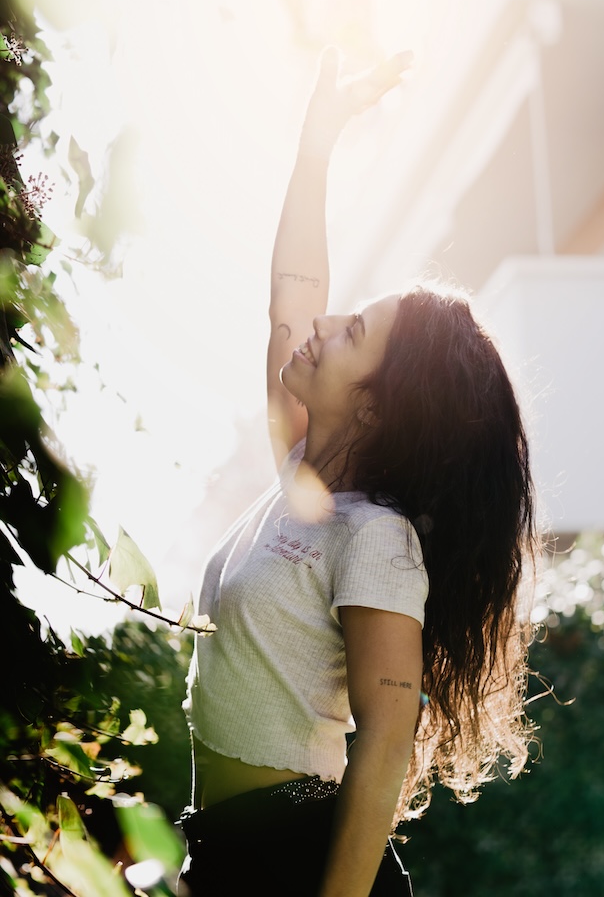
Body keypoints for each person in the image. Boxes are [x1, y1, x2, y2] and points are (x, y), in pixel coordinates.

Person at [177, 49, 538, 896]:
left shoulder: (375, 538)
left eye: (349, 334)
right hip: (231, 850)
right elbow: (290, 299)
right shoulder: (301, 478)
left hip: (299, 861)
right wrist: (317, 143)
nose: (322, 324)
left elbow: (384, 741)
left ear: (374, 407)